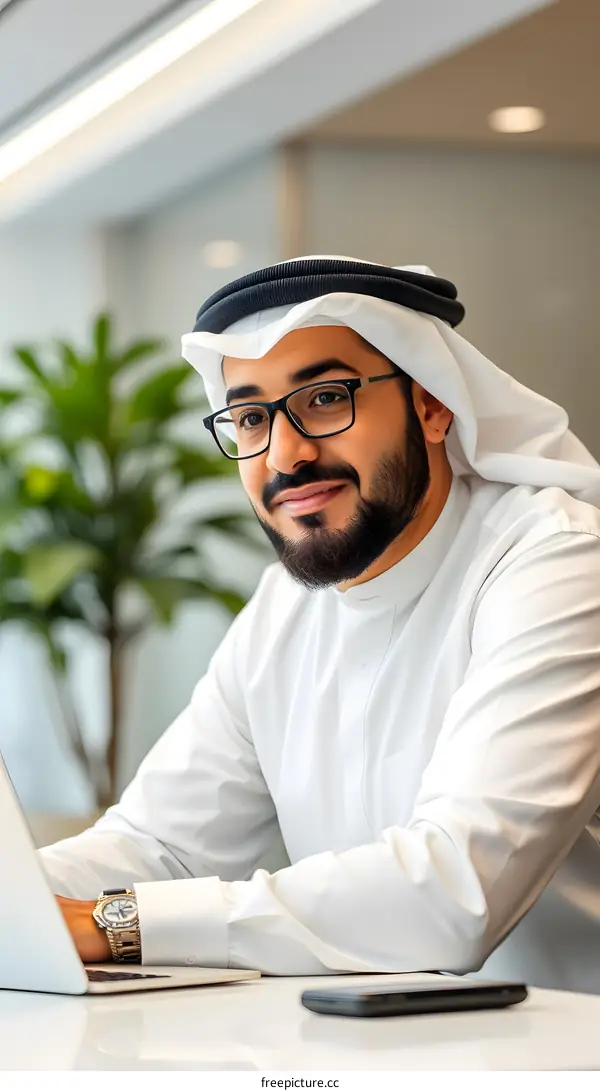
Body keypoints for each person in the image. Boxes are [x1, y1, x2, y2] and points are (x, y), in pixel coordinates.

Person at [44, 256, 600, 993]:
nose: (287, 454)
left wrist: (117, 924)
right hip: (363, 1049)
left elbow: (457, 889)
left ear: (433, 403)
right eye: (250, 417)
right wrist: (23, 898)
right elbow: (158, 844)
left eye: (326, 398)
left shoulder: (556, 560)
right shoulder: (284, 607)